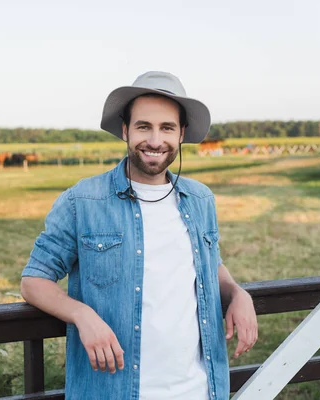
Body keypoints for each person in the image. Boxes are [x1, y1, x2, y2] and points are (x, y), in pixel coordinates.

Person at [20, 71, 258, 400]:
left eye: (167, 128)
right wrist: (82, 315)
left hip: (199, 390)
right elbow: (34, 280)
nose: (155, 140)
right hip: (113, 391)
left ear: (181, 133)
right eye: (144, 126)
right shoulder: (83, 201)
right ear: (125, 130)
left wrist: (237, 293)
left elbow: (209, 264)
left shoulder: (201, 199)